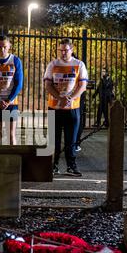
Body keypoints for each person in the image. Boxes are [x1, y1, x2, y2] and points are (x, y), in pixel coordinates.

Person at [44, 38, 88, 177]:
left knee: (71, 139)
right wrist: (59, 98)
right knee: (54, 139)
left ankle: (71, 166)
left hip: (72, 108)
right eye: (60, 50)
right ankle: (53, 165)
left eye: (65, 50)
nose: (63, 53)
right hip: (54, 107)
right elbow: (48, 85)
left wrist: (70, 98)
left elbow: (83, 86)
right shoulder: (53, 64)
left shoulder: (79, 64)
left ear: (72, 50)